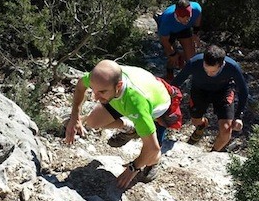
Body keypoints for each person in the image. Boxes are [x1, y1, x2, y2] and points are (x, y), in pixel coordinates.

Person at [64, 60, 178, 189]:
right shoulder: (101, 79)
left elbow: (153, 148)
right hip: (122, 96)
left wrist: (133, 167)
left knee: (151, 156)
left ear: (118, 85)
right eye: (94, 91)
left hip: (153, 102)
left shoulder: (136, 106)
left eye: (101, 92)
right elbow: (80, 86)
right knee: (92, 122)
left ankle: (154, 163)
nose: (95, 97)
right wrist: (75, 117)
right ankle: (130, 128)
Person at [171, 45, 249, 152]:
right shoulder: (194, 63)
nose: (209, 73)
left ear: (222, 65)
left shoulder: (232, 67)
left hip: (223, 91)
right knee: (195, 121)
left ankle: (213, 153)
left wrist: (239, 116)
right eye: (206, 69)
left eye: (213, 72)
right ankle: (202, 124)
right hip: (200, 90)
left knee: (226, 130)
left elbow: (243, 91)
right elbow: (175, 84)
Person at [154, 0, 203, 81]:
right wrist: (172, 54)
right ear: (176, 15)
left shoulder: (196, 8)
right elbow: (164, 40)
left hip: (184, 29)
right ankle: (169, 75)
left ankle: (182, 58)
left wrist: (195, 33)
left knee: (190, 58)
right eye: (183, 18)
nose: (187, 20)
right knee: (172, 58)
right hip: (169, 32)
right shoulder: (166, 21)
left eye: (188, 17)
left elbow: (199, 15)